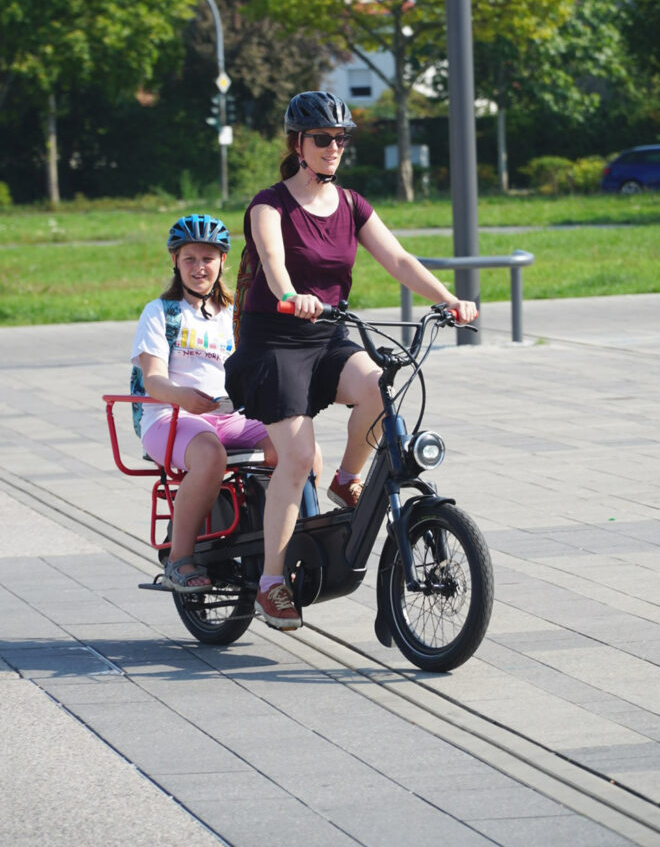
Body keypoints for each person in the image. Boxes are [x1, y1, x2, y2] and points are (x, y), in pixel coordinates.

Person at [224, 90, 478, 631]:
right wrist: (293, 293)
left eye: (341, 139)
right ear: (299, 143)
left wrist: (448, 300)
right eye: (323, 139)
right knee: (294, 460)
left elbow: (399, 258)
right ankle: (272, 581)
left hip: (328, 335)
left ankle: (346, 477)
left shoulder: (351, 203)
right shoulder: (270, 205)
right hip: (276, 341)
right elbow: (271, 261)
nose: (334, 147)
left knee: (381, 389)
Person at [131, 213, 278, 593]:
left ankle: (275, 541)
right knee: (210, 454)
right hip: (168, 416)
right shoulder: (161, 313)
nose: (199, 268)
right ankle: (180, 559)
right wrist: (183, 398)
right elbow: (154, 380)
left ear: (223, 262)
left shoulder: (234, 314)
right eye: (190, 259)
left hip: (226, 416)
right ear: (175, 262)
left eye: (208, 259)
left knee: (295, 447)